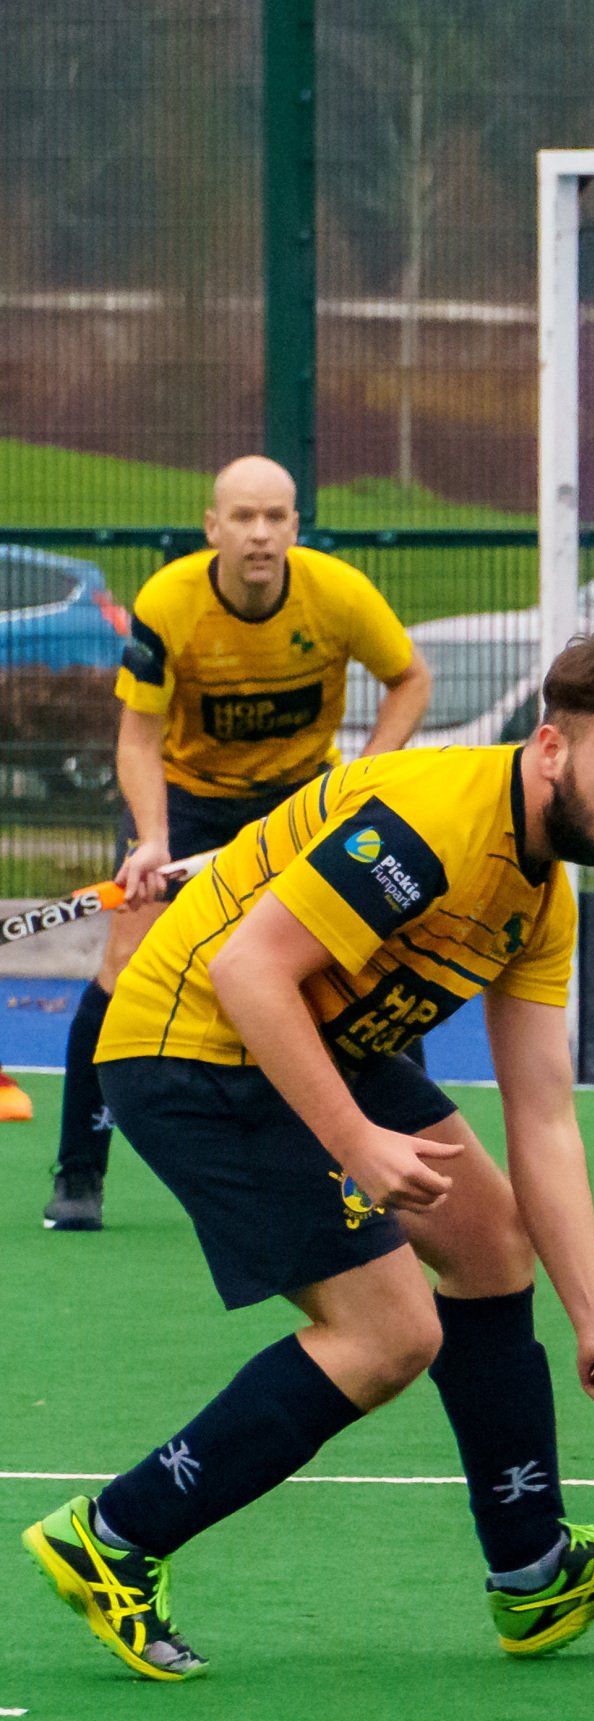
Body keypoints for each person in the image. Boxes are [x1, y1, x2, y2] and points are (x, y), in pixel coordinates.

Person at [23, 611, 594, 1680]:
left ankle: (533, 1571)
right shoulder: (434, 826)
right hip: (191, 1045)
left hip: (320, 1040)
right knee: (389, 1334)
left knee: (490, 1243)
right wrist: (354, 1143)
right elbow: (249, 971)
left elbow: (544, 1120)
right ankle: (112, 1537)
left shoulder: (541, 899)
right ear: (552, 745)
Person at [43, 455, 432, 1231]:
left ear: (295, 527)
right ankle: (79, 1172)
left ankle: (405, 1164)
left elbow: (410, 679)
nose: (260, 534)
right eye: (244, 518)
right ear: (213, 527)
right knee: (124, 966)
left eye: (275, 517)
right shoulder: (169, 601)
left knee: (365, 963)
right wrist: (153, 839)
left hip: (302, 800)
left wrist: (359, 782)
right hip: (191, 801)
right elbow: (138, 736)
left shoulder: (340, 594)